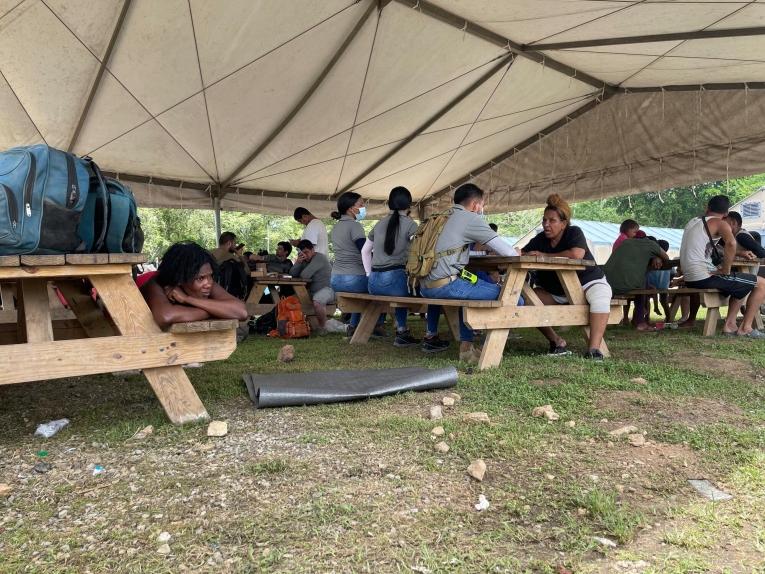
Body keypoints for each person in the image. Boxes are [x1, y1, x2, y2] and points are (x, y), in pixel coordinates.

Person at [418, 183, 518, 364]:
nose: (482, 209)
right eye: (482, 205)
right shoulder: (470, 218)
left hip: (425, 286)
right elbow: (509, 253)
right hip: (446, 285)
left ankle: (467, 348)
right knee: (514, 298)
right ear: (474, 205)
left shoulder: (441, 216)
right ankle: (491, 347)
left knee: (474, 288)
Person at [522, 194, 613, 359]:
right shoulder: (540, 238)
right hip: (557, 291)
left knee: (601, 296)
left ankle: (593, 350)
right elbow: (521, 253)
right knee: (529, 299)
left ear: (563, 223)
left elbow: (576, 254)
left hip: (588, 282)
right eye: (544, 220)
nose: (546, 224)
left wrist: (543, 255)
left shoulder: (574, 232)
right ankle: (557, 341)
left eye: (552, 220)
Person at [361, 186, 449, 352]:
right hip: (395, 280)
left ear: (389, 204)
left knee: (402, 290)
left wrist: (368, 275)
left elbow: (365, 251)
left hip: (373, 284)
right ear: (409, 205)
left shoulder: (379, 224)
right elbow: (422, 249)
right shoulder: (410, 225)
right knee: (434, 290)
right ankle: (431, 335)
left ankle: (402, 331)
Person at [679, 195, 765, 337]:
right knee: (761, 283)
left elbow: (710, 247)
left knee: (742, 283)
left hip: (689, 277)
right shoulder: (720, 223)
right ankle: (746, 328)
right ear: (726, 214)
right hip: (703, 276)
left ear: (707, 207)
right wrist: (725, 269)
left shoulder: (693, 222)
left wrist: (740, 253)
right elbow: (731, 243)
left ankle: (730, 325)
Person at [140, 242, 248, 329]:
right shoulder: (155, 283)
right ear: (180, 279)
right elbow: (165, 316)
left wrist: (187, 299)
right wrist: (218, 311)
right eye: (200, 278)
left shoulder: (206, 281)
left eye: (210, 276)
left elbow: (241, 311)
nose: (208, 283)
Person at [330, 192, 386, 337]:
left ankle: (354, 326)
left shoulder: (335, 228)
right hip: (353, 278)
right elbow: (365, 251)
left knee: (363, 290)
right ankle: (377, 326)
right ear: (350, 209)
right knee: (382, 286)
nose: (363, 207)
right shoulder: (355, 226)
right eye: (360, 205)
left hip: (336, 279)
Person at [602, 236, 669, 330]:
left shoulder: (627, 242)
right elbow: (666, 257)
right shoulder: (651, 244)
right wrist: (657, 256)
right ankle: (640, 322)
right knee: (642, 287)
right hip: (621, 286)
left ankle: (636, 318)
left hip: (605, 282)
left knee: (643, 284)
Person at [290, 240, 334, 333]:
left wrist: (301, 265)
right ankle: (294, 326)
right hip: (312, 291)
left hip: (328, 289)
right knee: (290, 301)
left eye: (306, 252)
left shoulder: (320, 258)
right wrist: (298, 262)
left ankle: (322, 328)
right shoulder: (304, 260)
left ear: (313, 250)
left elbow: (304, 275)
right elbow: (292, 274)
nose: (305, 255)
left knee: (317, 302)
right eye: (302, 253)